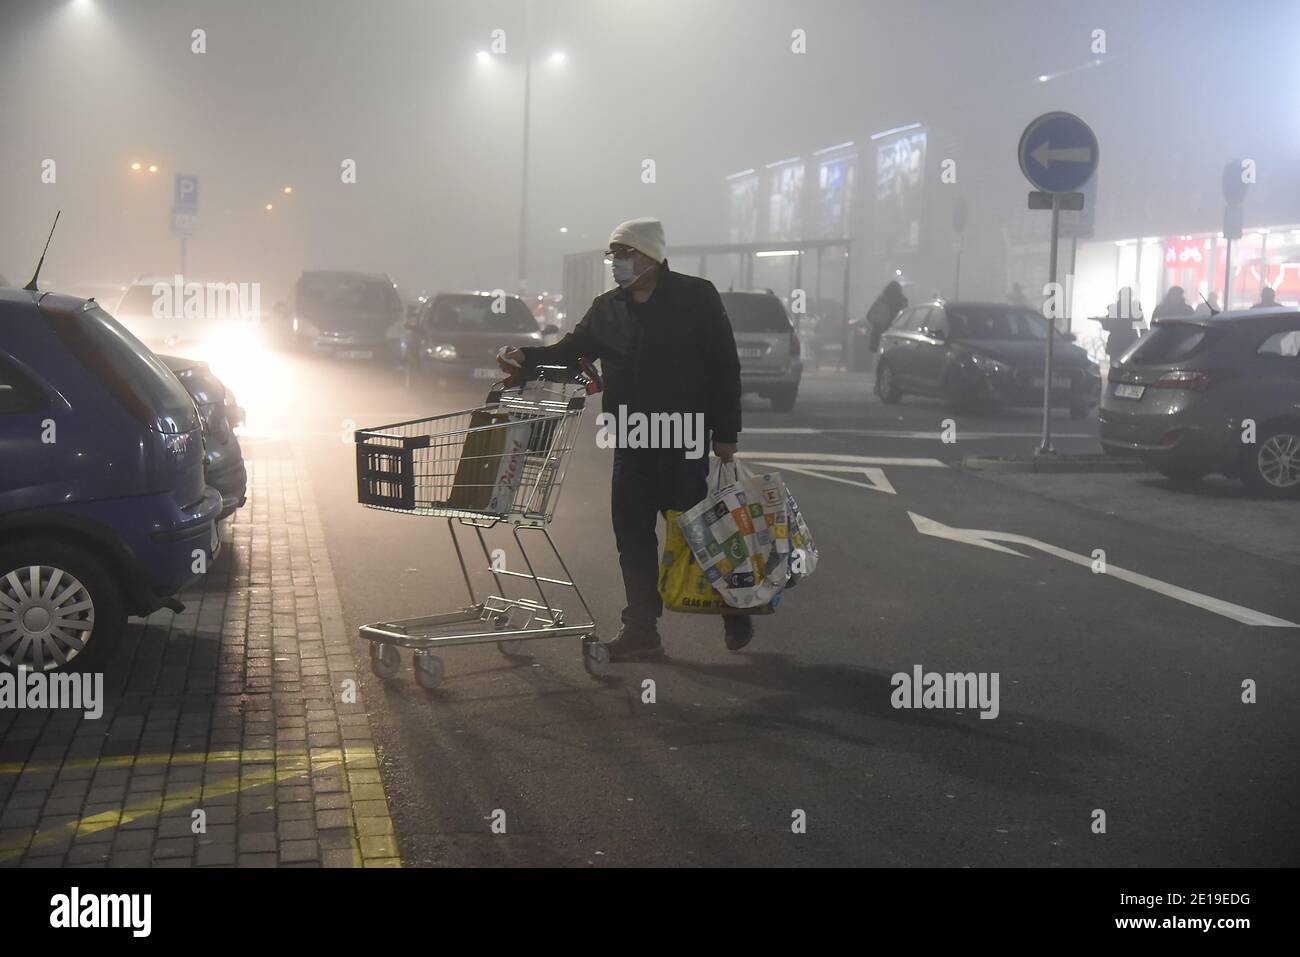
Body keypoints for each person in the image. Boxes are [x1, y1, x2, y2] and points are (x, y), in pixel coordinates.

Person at [496, 217, 747, 662]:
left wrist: (726, 433)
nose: (616, 263)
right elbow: (570, 352)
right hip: (629, 441)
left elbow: (724, 365)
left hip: (683, 437)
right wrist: (527, 358)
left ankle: (734, 605)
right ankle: (641, 629)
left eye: (625, 253)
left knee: (695, 532)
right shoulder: (607, 307)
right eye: (613, 255)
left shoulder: (696, 297)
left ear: (650, 255)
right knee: (631, 534)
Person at [1099, 286, 1144, 363]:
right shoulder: (1134, 308)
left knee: (1114, 368)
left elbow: (1108, 326)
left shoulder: (1115, 308)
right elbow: (1142, 326)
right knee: (1130, 367)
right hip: (1131, 342)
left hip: (1116, 342)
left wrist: (1102, 321)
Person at [865, 281, 908, 353]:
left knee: (879, 359)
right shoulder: (902, 302)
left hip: (879, 335)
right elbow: (906, 317)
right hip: (897, 336)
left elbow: (869, 316)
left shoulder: (881, 301)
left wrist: (877, 323)